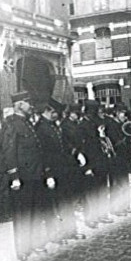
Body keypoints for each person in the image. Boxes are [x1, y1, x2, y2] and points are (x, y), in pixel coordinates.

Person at [3, 92, 47, 261]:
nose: (31, 105)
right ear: (19, 104)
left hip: (34, 175)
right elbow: (9, 151)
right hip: (22, 177)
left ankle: (34, 243)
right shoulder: (12, 124)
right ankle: (22, 248)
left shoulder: (26, 123)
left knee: (35, 212)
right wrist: (14, 175)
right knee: (23, 214)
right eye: (28, 102)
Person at [36, 100, 85, 244]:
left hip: (63, 170)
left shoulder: (53, 125)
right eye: (54, 112)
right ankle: (56, 235)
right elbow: (42, 154)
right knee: (53, 206)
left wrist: (75, 153)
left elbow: (64, 144)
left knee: (66, 202)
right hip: (52, 172)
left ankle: (70, 231)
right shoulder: (40, 128)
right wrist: (48, 174)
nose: (57, 115)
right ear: (48, 111)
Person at [78, 100, 111, 228]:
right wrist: (87, 167)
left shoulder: (96, 123)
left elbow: (102, 141)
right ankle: (90, 217)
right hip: (91, 163)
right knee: (91, 192)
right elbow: (83, 148)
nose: (98, 113)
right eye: (96, 111)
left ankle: (101, 214)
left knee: (102, 190)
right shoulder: (82, 126)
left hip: (101, 161)